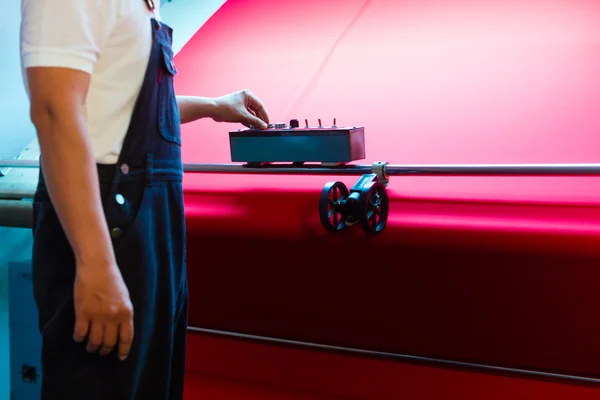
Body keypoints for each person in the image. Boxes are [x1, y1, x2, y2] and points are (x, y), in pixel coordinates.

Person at [20, 0, 270, 398]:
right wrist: (96, 264)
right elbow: (54, 113)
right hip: (105, 224)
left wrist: (215, 107)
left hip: (151, 224)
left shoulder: (142, 6)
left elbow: (116, 106)